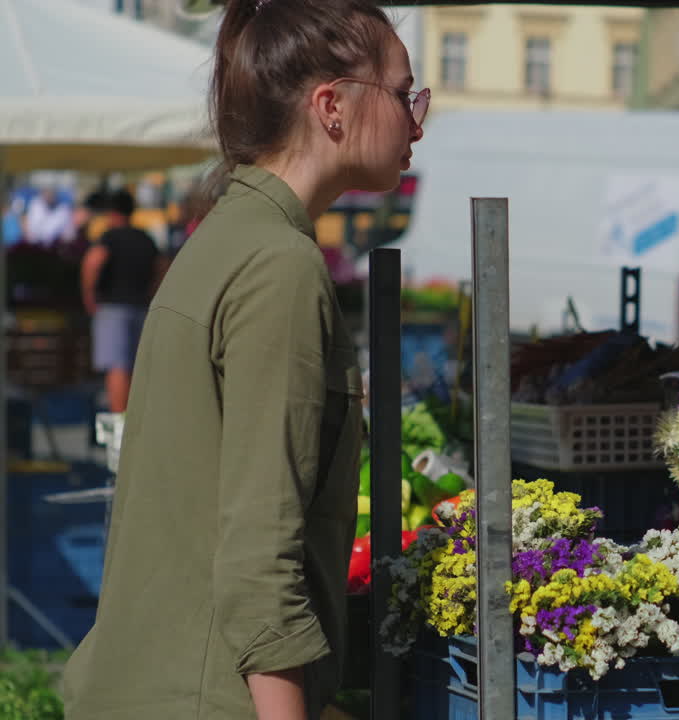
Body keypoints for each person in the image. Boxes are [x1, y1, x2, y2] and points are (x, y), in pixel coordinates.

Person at [61, 1, 426, 718]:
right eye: (404, 94)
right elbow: (260, 558)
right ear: (332, 106)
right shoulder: (279, 265)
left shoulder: (226, 237)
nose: (417, 122)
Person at [79, 189, 168, 413]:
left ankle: (120, 420)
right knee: (139, 367)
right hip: (141, 306)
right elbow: (162, 268)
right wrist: (152, 291)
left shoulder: (109, 237)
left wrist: (89, 295)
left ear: (112, 213)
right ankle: (136, 416)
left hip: (112, 307)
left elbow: (92, 262)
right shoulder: (145, 238)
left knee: (117, 366)